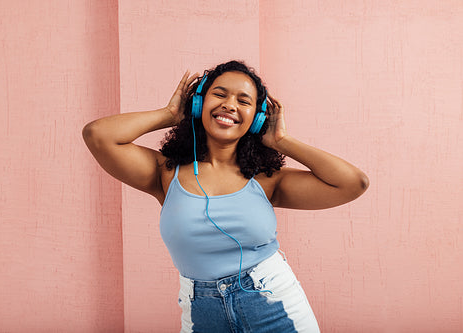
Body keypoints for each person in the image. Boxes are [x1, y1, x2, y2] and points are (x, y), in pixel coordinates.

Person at [82, 60, 369, 332]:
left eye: (243, 101)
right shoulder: (165, 173)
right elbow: (98, 134)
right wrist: (169, 115)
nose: (229, 105)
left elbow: (353, 183)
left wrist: (282, 141)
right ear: (198, 104)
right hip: (201, 310)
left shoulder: (266, 180)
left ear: (257, 119)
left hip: (274, 303)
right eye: (219, 94)